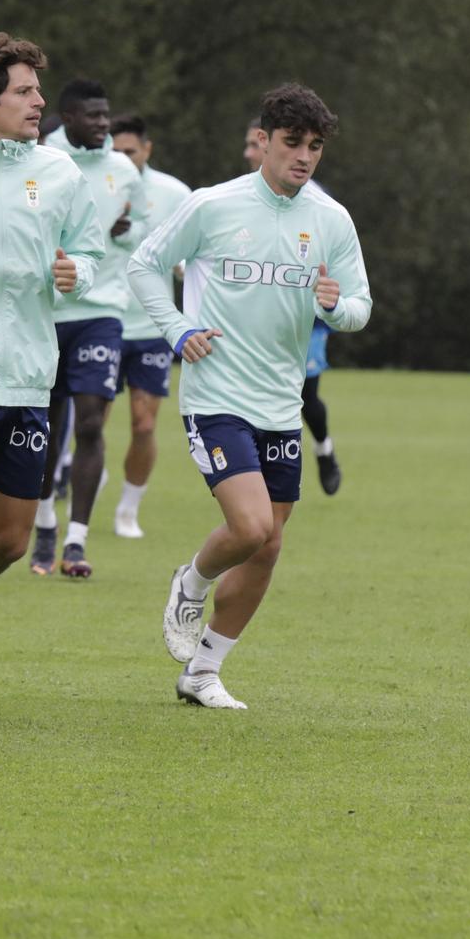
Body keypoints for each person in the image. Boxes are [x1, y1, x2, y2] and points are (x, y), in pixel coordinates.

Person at [131, 83, 370, 708]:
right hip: (215, 395)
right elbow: (143, 266)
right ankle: (191, 581)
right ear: (263, 141)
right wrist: (179, 329)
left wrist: (335, 306)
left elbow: (360, 308)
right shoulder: (214, 206)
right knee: (249, 524)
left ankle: (203, 672)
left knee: (268, 544)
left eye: (315, 146)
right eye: (293, 143)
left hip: (280, 404)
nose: (305, 157)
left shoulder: (330, 220)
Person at [0, 34, 104, 722]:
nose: (40, 103)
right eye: (26, 92)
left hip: (31, 377)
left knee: (6, 539)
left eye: (39, 91)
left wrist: (77, 271)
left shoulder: (61, 173)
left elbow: (91, 249)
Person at [32, 78, 146, 577]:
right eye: (94, 116)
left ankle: (76, 542)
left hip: (102, 311)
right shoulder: (41, 160)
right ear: (70, 117)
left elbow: (142, 227)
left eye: (107, 115)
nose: (104, 124)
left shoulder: (124, 170)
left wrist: (129, 231)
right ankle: (43, 527)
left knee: (93, 423)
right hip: (44, 313)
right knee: (47, 428)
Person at [243, 120, 341, 494]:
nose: (249, 152)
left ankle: (324, 449)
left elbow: (336, 261)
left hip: (308, 320)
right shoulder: (237, 199)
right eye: (249, 145)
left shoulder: (318, 202)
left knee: (304, 394)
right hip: (257, 322)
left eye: (254, 144)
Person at [108, 114, 193, 537]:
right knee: (90, 422)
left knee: (144, 424)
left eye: (130, 151)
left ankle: (128, 508)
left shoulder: (176, 194)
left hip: (152, 328)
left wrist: (183, 271)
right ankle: (80, 480)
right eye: (116, 151)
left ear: (147, 149)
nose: (123, 158)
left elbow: (194, 259)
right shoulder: (95, 186)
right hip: (101, 321)